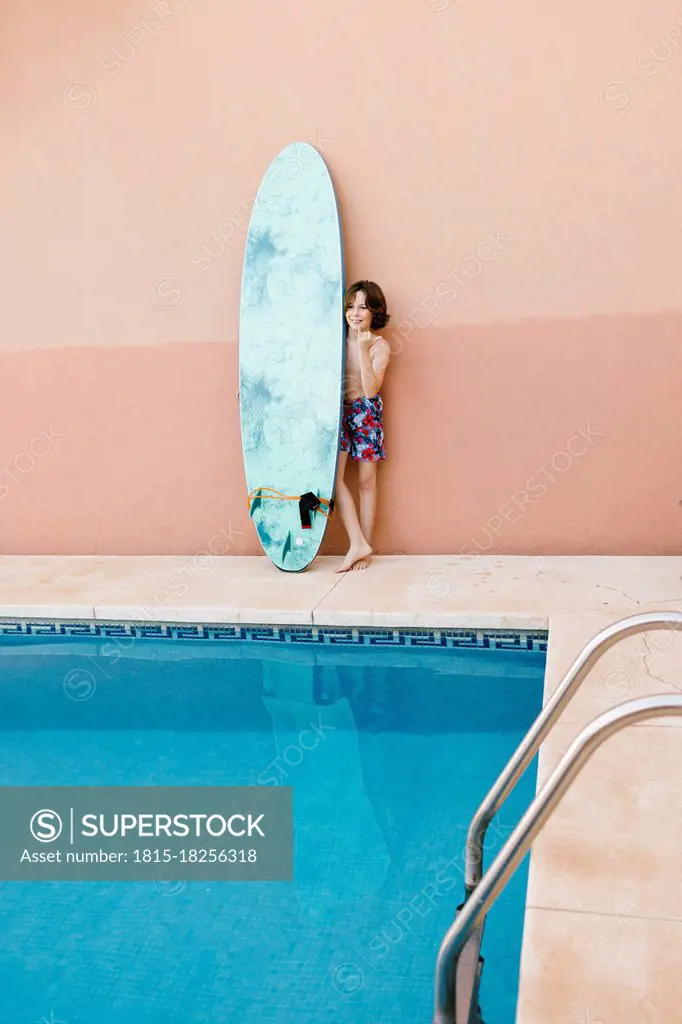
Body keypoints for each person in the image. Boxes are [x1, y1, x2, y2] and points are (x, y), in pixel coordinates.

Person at [334, 281, 391, 572]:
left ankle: (364, 548)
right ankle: (357, 541)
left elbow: (370, 391)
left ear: (374, 312)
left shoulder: (380, 346)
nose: (355, 313)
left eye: (363, 308)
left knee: (367, 482)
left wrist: (363, 348)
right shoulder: (332, 339)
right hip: (336, 412)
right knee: (335, 479)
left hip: (365, 412)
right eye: (351, 306)